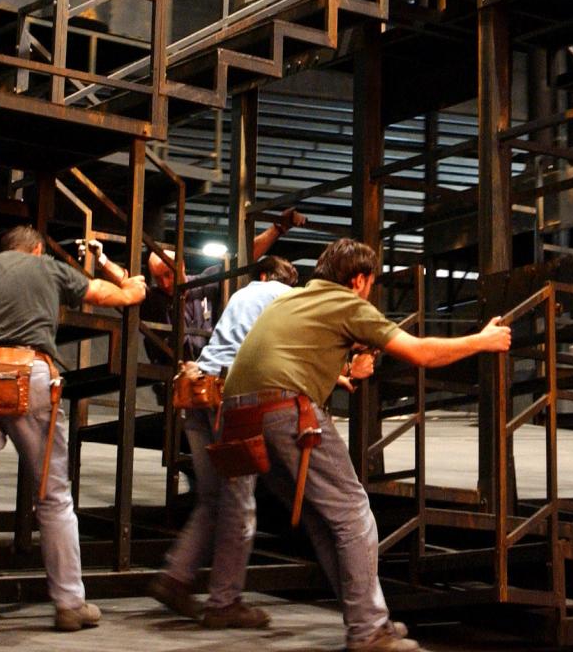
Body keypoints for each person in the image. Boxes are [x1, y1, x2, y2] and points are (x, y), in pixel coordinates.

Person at [215, 238, 512, 652]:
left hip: (236, 415)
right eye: (370, 284)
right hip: (286, 410)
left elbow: (289, 353)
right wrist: (482, 341)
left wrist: (346, 365)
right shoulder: (348, 303)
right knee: (355, 514)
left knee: (325, 519)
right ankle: (369, 631)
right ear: (358, 279)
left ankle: (369, 620)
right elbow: (419, 352)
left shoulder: (291, 300)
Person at [0, 226, 148, 640]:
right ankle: (70, 605)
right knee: (54, 496)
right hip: (32, 374)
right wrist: (129, 281)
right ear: (37, 249)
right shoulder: (50, 268)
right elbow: (123, 298)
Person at [148, 255, 307, 627]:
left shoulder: (240, 295)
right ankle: (224, 602)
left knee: (213, 498)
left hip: (198, 391)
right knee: (239, 502)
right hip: (231, 394)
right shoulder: (282, 294)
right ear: (275, 277)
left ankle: (175, 576)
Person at [147, 210, 305, 357]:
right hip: (173, 377)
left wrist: (278, 228)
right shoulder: (155, 299)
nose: (165, 283)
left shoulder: (205, 283)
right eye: (158, 278)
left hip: (211, 371)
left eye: (168, 274)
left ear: (181, 265)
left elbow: (242, 260)